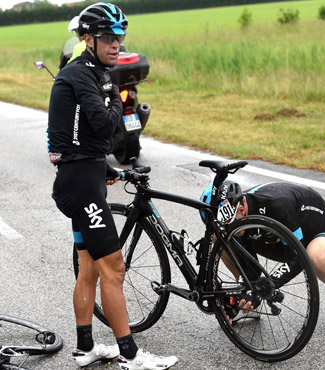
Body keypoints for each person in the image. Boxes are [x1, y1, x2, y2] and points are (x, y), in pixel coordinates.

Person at [47, 2, 178, 369]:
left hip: (86, 175)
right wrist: (114, 106)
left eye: (119, 37)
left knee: (88, 266)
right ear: (87, 39)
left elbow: (89, 132)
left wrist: (102, 162)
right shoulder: (80, 75)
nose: (116, 44)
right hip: (80, 186)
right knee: (115, 268)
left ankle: (86, 347)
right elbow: (105, 126)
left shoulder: (99, 72)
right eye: (107, 37)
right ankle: (131, 355)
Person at [200, 180, 325, 331]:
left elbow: (299, 256)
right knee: (221, 238)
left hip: (320, 234)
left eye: (228, 222)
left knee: (316, 256)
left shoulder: (276, 204)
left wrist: (262, 290)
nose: (228, 227)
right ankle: (249, 307)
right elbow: (248, 262)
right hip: (281, 241)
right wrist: (245, 292)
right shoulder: (239, 212)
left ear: (240, 209)